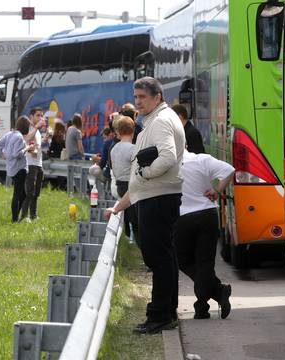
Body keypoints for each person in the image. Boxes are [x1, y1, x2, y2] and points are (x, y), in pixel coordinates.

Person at [106, 77, 186, 334]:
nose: (137, 102)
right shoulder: (157, 119)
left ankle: (160, 315)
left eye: (142, 97)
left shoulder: (161, 121)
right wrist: (120, 206)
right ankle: (167, 311)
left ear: (157, 97)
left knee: (157, 258)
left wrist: (146, 174)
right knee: (164, 257)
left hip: (158, 198)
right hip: (156, 197)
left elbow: (168, 157)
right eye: (136, 96)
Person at [175, 149, 234, 320]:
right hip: (207, 214)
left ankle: (208, 301)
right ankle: (209, 299)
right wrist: (217, 190)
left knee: (183, 260)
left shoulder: (169, 164)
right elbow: (229, 170)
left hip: (183, 217)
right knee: (205, 262)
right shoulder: (202, 159)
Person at [0, 116, 32, 223]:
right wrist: (27, 148)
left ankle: (16, 215)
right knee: (17, 194)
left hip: (11, 168)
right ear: (25, 127)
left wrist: (3, 155)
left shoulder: (9, 134)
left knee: (23, 194)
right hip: (19, 168)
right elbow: (17, 154)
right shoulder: (19, 137)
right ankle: (14, 219)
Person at [109, 116, 138, 242]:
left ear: (118, 132)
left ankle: (127, 237)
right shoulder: (133, 149)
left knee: (128, 217)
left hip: (119, 186)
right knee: (137, 222)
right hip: (131, 188)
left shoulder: (114, 149)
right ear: (133, 131)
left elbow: (114, 170)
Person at [21, 108, 48, 221]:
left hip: (38, 163)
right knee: (29, 191)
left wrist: (44, 139)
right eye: (38, 115)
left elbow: (36, 143)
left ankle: (33, 215)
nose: (40, 117)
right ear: (31, 116)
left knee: (36, 192)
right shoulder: (28, 127)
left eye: (41, 115)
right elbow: (26, 139)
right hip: (30, 163)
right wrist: (36, 127)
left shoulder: (36, 130)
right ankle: (24, 216)